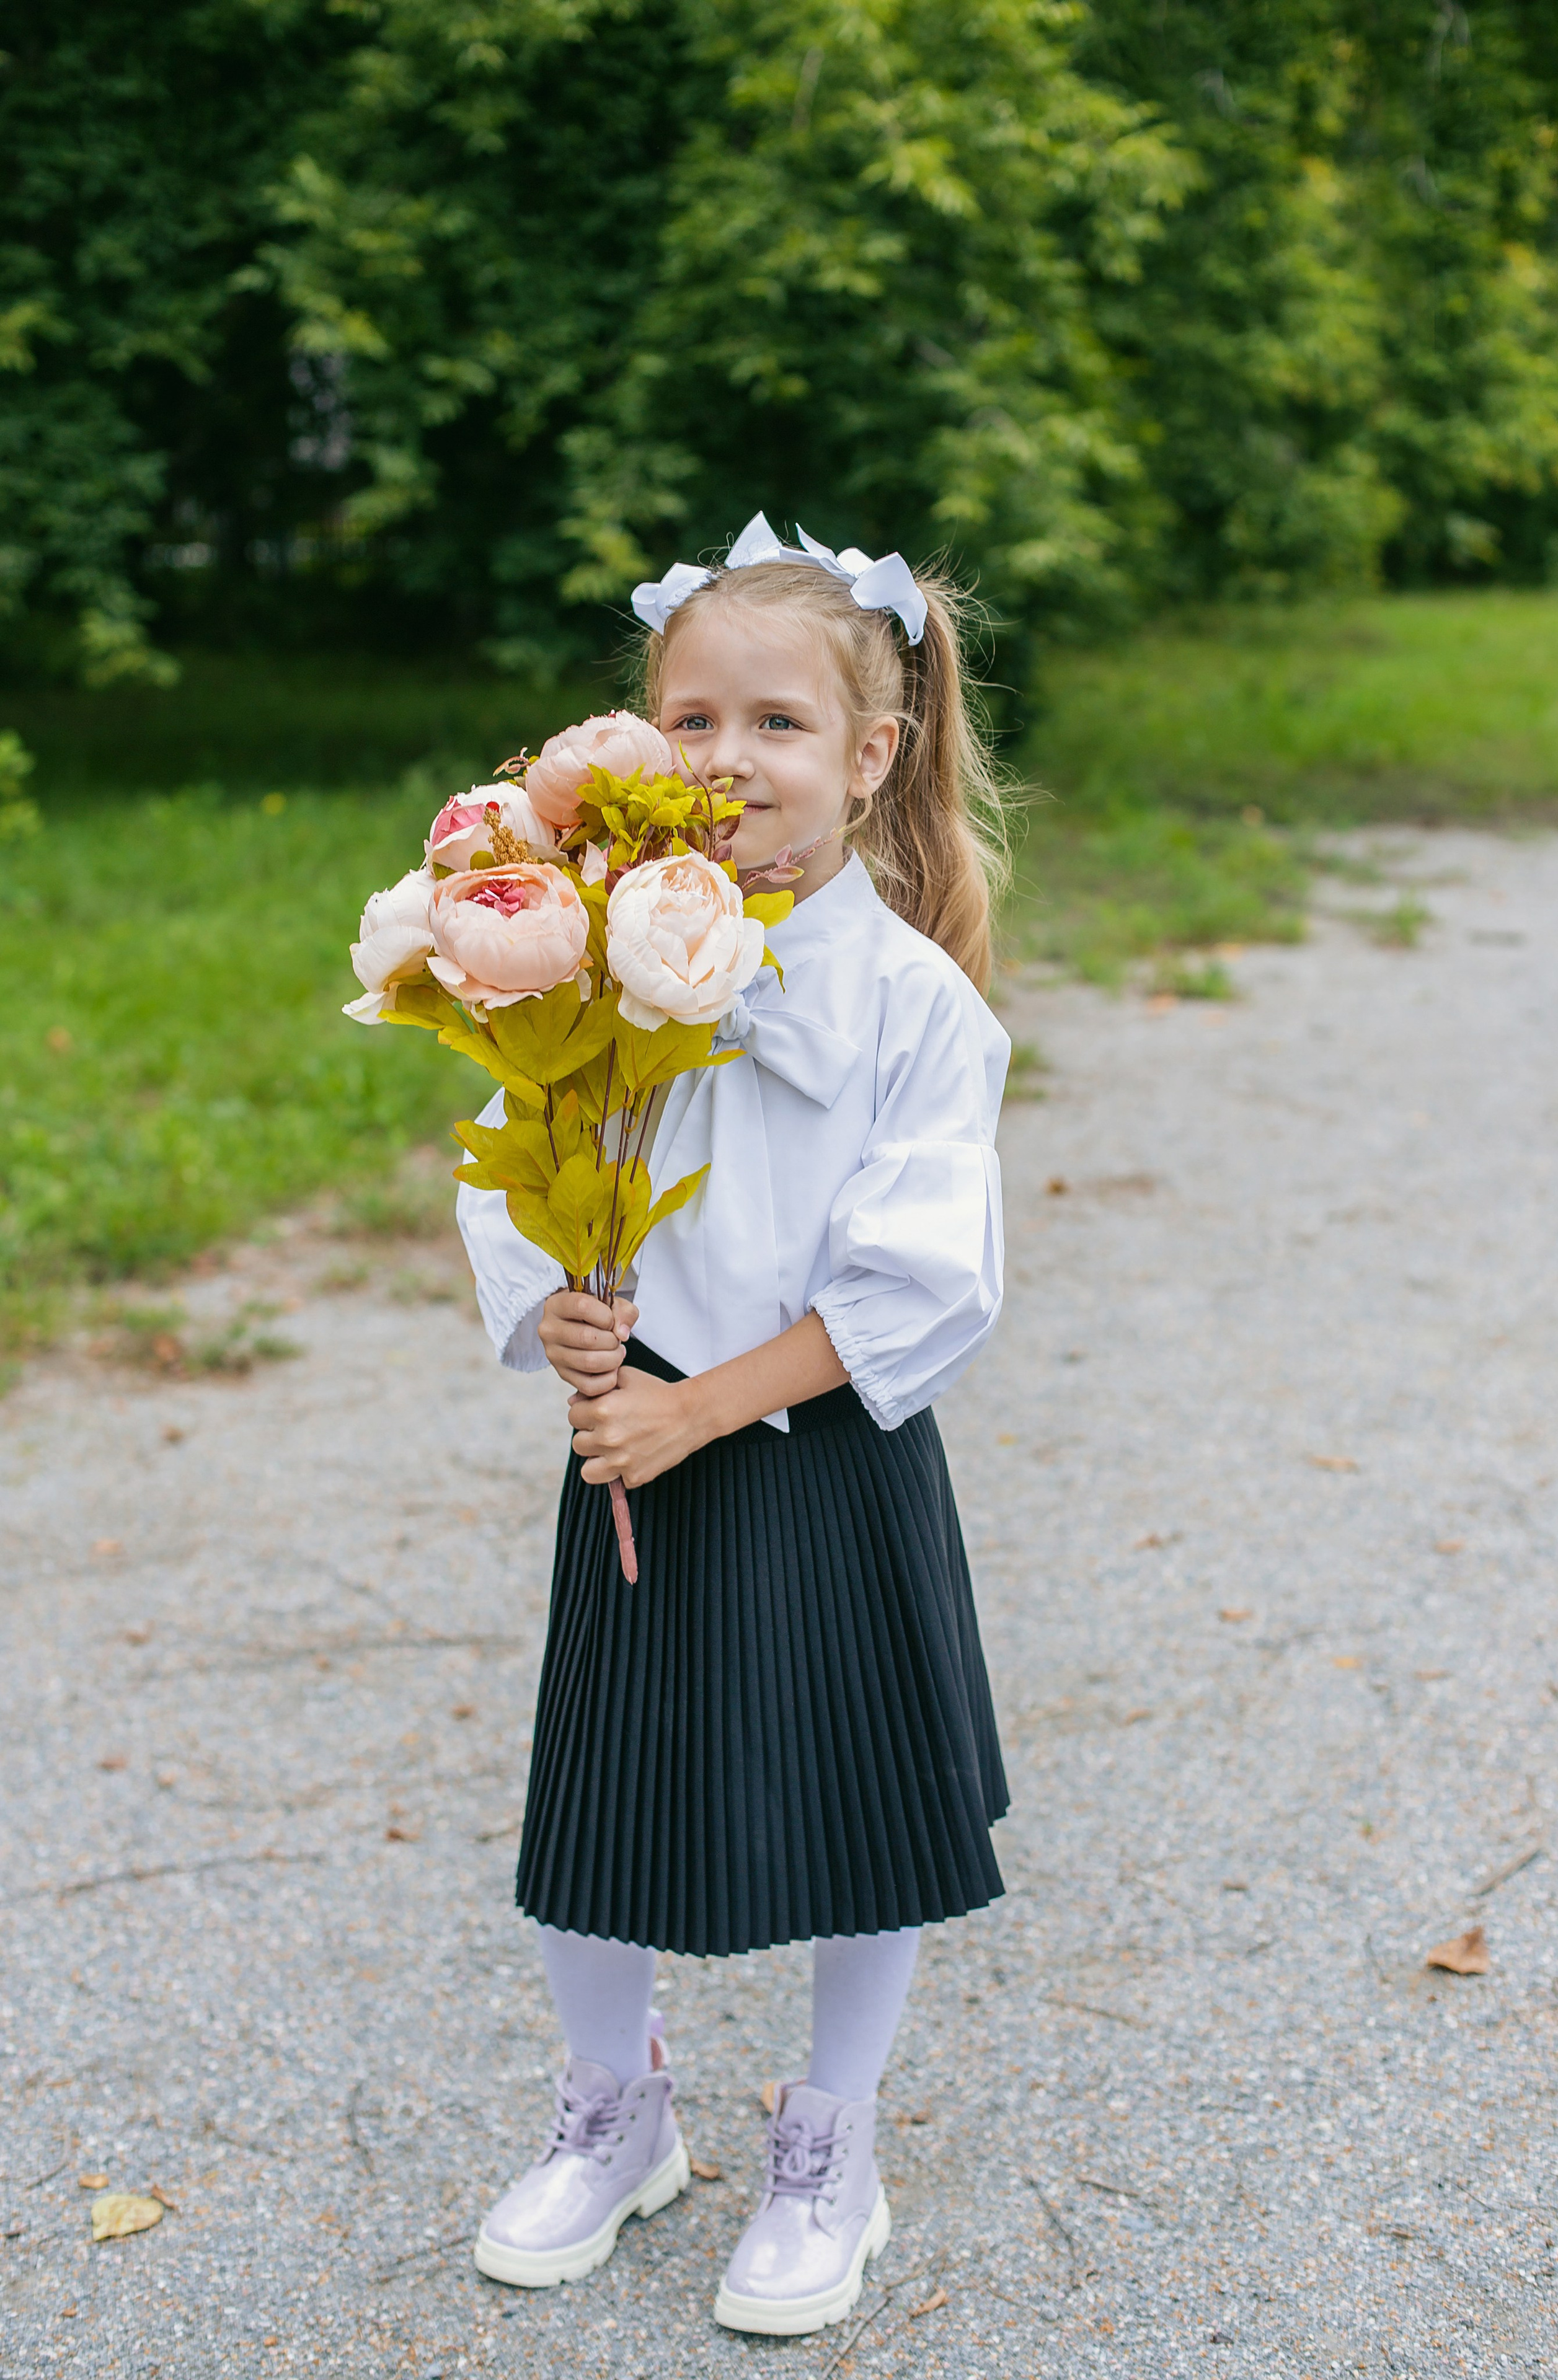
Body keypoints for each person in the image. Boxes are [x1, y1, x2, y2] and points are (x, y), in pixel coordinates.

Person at [455, 511, 1011, 2335]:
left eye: (778, 725)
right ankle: (618, 2110)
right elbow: (511, 1169)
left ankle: (831, 2134)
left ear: (869, 756)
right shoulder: (586, 962)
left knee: (866, 1802)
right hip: (630, 1440)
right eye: (688, 720)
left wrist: (709, 1407)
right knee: (597, 1804)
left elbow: (918, 1276)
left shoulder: (911, 1003)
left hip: (813, 1449)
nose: (726, 759)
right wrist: (559, 1307)